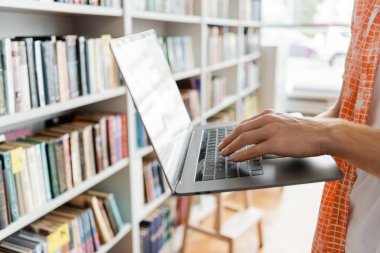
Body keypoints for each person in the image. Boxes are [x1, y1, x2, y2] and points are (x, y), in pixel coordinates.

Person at [218, 1, 380, 252]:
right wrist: (290, 127)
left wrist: (326, 133)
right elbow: (346, 109)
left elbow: (336, 128)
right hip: (349, 226)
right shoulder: (367, 7)